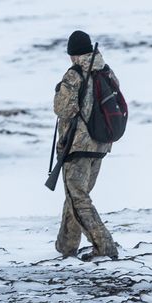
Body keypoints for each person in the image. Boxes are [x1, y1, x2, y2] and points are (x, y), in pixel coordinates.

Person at [53, 30, 118, 260]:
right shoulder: (105, 70)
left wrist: (59, 91)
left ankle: (104, 246)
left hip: (78, 145)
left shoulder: (76, 73)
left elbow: (63, 109)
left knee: (78, 198)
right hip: (100, 145)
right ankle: (66, 245)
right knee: (77, 195)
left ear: (72, 53)